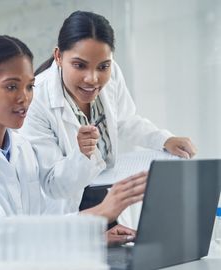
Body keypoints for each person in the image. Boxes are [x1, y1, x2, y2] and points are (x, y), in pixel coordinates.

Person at [0, 34, 147, 264]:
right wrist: (100, 213)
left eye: (30, 86)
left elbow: (42, 221)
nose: (24, 98)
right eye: (11, 86)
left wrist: (93, 238)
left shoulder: (22, 148)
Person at [20, 10, 197, 215]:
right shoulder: (36, 100)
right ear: (58, 56)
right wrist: (82, 155)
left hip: (108, 196)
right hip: (70, 210)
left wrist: (164, 139)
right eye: (80, 65)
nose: (93, 78)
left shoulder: (113, 73)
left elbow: (124, 120)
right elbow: (52, 184)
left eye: (103, 66)